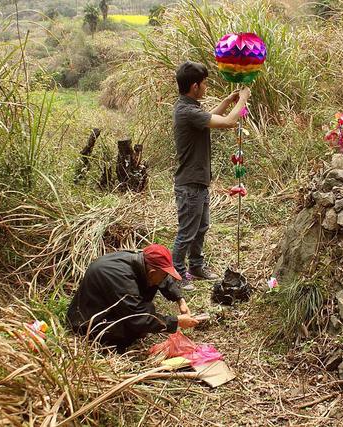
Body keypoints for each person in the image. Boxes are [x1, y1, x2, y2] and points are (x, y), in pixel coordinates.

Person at [172, 60, 251, 289]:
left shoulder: (189, 108)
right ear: (195, 86)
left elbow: (210, 118)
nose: (206, 87)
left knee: (201, 227)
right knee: (187, 232)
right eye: (204, 83)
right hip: (190, 184)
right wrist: (243, 98)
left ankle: (196, 266)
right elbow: (228, 122)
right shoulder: (187, 111)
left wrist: (228, 101)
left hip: (198, 182)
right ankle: (177, 273)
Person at [66, 243, 199, 352]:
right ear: (152, 272)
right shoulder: (120, 276)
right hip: (88, 321)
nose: (165, 277)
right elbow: (138, 317)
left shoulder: (142, 260)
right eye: (163, 274)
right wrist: (176, 321)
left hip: (111, 305)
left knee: (147, 307)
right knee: (136, 327)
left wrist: (179, 299)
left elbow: (163, 278)